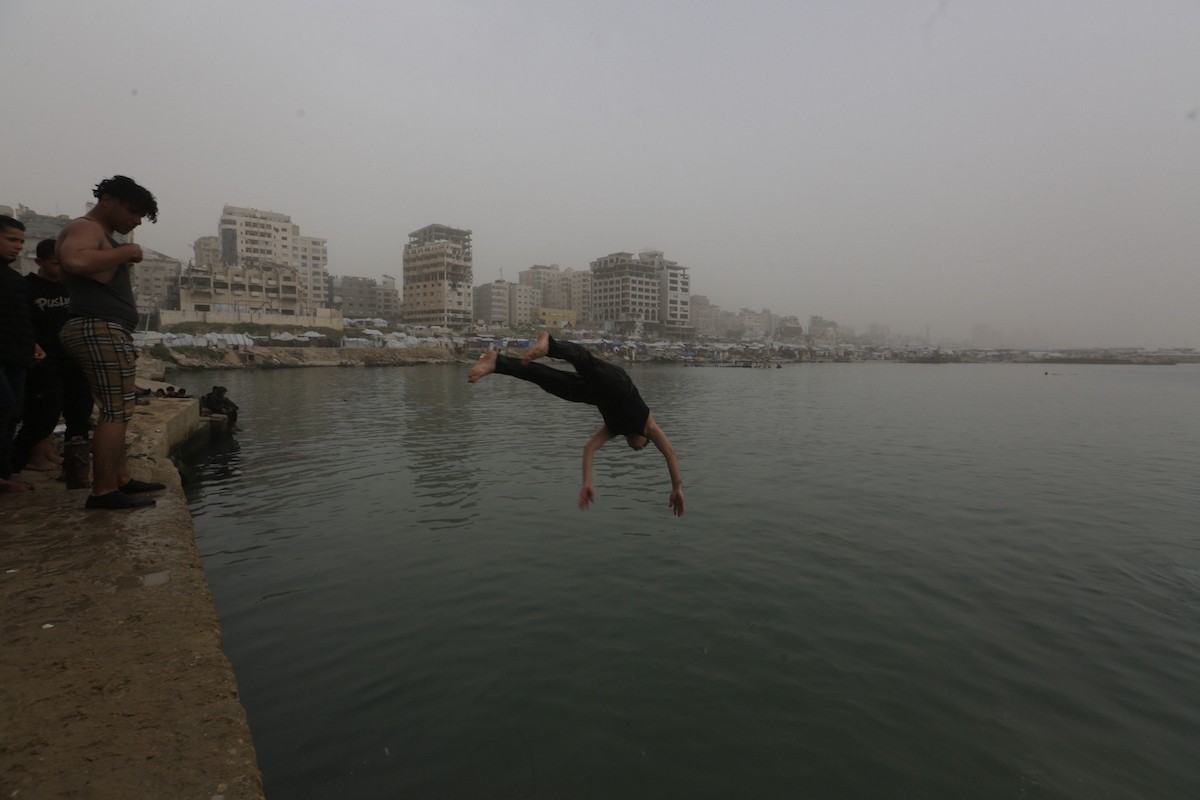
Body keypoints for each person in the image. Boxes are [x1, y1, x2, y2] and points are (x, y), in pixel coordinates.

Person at [468, 331, 684, 516]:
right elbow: (670, 453)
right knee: (585, 362)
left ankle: (497, 362)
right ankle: (550, 345)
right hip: (618, 384)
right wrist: (676, 487)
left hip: (594, 394)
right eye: (642, 447)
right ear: (644, 439)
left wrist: (587, 483)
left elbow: (589, 448)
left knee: (547, 379)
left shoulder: (613, 429)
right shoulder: (648, 426)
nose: (637, 449)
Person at [57, 176, 165, 510]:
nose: (135, 221)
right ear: (107, 200)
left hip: (105, 329)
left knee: (121, 410)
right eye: (133, 211)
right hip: (98, 327)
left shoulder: (101, 236)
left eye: (140, 217)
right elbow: (74, 260)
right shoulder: (86, 228)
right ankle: (104, 491)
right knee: (114, 412)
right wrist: (126, 251)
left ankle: (121, 478)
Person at [11, 240, 95, 473]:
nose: (62, 269)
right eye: (56, 264)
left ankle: (61, 454)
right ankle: (36, 457)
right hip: (44, 359)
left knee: (78, 407)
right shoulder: (28, 287)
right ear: (39, 262)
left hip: (73, 357)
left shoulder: (71, 286)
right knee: (44, 410)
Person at [1, 215, 45, 494]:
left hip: (16, 356)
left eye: (20, 241)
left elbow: (20, 319)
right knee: (2, 406)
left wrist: (32, 346)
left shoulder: (14, 279)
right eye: (11, 239)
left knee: (12, 412)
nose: (18, 246)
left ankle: (4, 474)